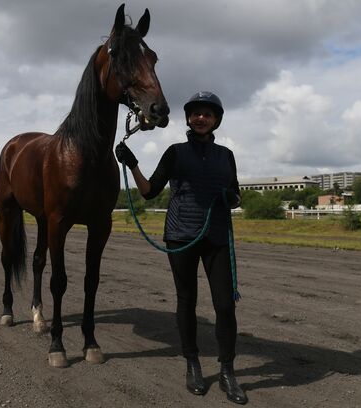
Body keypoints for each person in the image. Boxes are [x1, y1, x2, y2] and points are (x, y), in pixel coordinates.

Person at [115, 91, 247, 405]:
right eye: (196, 113)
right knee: (187, 300)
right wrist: (132, 164)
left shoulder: (226, 156)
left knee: (225, 305)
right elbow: (149, 192)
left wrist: (232, 198)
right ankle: (192, 362)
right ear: (188, 118)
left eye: (208, 114)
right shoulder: (175, 153)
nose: (201, 118)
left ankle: (228, 370)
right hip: (181, 235)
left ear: (215, 120)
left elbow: (236, 194)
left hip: (216, 236)